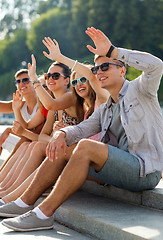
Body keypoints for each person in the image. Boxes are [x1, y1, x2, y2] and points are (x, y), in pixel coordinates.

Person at [2, 26, 163, 232]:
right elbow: (82, 129)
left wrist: (113, 51)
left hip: (144, 170)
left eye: (105, 67)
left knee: (86, 146)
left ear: (122, 70)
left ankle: (43, 214)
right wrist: (60, 133)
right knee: (63, 147)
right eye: (96, 69)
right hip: (117, 168)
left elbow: (156, 65)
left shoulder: (141, 91)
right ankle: (24, 203)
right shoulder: (105, 109)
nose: (99, 73)